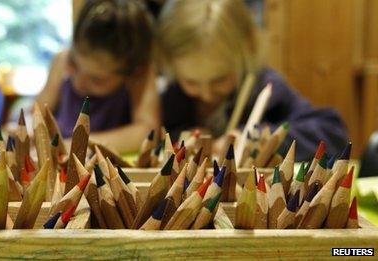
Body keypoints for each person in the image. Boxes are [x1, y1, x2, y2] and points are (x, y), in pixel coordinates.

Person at [156, 0, 348, 161]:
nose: (206, 95)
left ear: (248, 50)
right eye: (191, 82)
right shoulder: (173, 98)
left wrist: (263, 140)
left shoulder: (266, 87)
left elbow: (332, 133)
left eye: (220, 79)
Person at [36, 0, 159, 153]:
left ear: (133, 73)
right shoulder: (61, 60)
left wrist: (79, 144)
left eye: (97, 80)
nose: (79, 81)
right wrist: (25, 127)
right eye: (73, 64)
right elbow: (36, 113)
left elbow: (147, 132)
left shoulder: (141, 74)